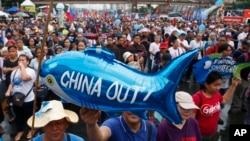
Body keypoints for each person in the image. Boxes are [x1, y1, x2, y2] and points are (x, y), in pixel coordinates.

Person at [192, 71, 241, 141]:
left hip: (214, 133)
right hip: (200, 136)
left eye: (219, 85)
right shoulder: (197, 98)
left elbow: (224, 100)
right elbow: (190, 121)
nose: (218, 88)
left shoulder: (216, 94)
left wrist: (233, 85)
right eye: (215, 85)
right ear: (206, 84)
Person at [5, 54, 36, 140]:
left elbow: (24, 77)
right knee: (19, 115)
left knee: (29, 115)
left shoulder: (31, 71)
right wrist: (8, 91)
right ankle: (20, 131)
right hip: (17, 98)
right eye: (19, 60)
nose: (21, 62)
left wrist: (22, 67)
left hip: (28, 99)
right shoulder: (14, 72)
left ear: (28, 62)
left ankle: (31, 129)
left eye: (23, 60)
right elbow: (12, 83)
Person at [80, 108, 157, 141]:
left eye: (139, 106)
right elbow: (99, 137)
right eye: (129, 105)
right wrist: (92, 124)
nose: (134, 111)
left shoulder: (150, 128)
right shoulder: (113, 124)